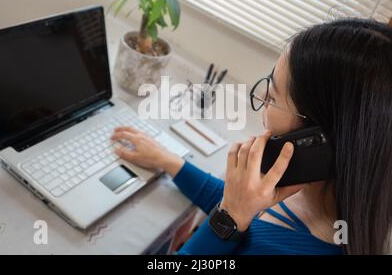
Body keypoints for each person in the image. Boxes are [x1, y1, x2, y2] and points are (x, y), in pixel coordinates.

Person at [111, 18, 392, 255]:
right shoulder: (321, 192)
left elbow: (242, 215)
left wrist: (228, 218)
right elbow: (248, 207)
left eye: (272, 96)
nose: (261, 98)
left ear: (316, 138)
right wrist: (171, 162)